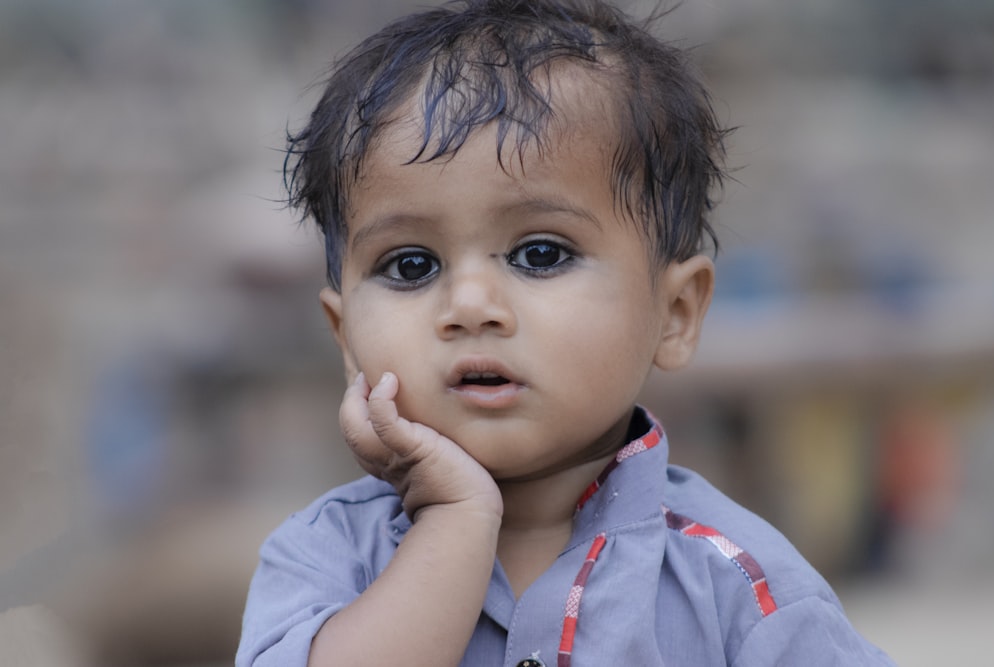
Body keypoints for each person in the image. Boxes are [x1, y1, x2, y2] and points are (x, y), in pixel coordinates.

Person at [237, 1, 895, 664]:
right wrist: (455, 522)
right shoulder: (326, 556)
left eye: (541, 253)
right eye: (411, 264)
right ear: (345, 334)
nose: (469, 305)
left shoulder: (740, 587)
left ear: (675, 312)